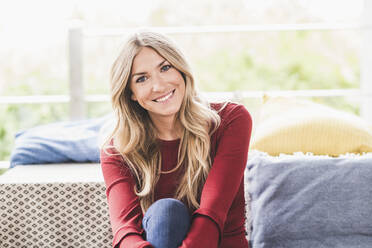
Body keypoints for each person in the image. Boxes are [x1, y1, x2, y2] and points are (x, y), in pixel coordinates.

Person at [100, 30, 252, 248]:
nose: (159, 86)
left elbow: (211, 217)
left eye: (165, 67)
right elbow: (125, 233)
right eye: (142, 78)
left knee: (169, 212)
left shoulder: (230, 121)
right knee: (166, 214)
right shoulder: (118, 149)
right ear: (130, 93)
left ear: (181, 70)